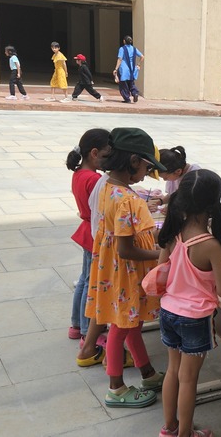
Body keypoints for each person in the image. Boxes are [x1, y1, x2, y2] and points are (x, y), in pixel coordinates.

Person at [83, 127, 166, 408]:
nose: (146, 174)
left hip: (114, 271)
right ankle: (116, 388)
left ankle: (148, 373)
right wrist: (161, 253)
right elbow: (126, 249)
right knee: (121, 327)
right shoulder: (126, 199)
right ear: (133, 161)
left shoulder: (107, 186)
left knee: (131, 325)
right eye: (146, 167)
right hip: (126, 273)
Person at [156, 169, 221, 437]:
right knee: (189, 379)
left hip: (168, 311)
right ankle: (186, 434)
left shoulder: (172, 233)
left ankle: (169, 428)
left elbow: (161, 271)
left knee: (173, 371)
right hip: (195, 318)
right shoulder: (211, 245)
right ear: (213, 204)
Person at [66, 128, 110, 345]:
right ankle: (87, 330)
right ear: (94, 153)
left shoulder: (79, 174)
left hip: (87, 230)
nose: (108, 161)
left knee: (84, 279)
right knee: (91, 282)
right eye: (106, 155)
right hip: (94, 232)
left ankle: (76, 325)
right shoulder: (94, 179)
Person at [115, 35, 144, 103]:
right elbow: (142, 56)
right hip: (132, 69)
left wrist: (116, 68)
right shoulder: (134, 49)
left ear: (124, 41)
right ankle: (135, 93)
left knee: (123, 85)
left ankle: (127, 99)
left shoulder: (122, 49)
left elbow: (120, 59)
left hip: (123, 70)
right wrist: (138, 64)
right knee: (131, 83)